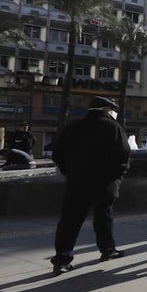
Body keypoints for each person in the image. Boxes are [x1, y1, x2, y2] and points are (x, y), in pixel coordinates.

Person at [50, 96, 130, 275]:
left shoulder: (72, 127)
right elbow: (123, 154)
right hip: (104, 182)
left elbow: (57, 153)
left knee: (70, 221)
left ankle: (62, 260)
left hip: (77, 181)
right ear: (107, 110)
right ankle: (107, 250)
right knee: (104, 217)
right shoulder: (113, 127)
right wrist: (117, 176)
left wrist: (68, 170)